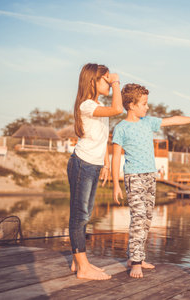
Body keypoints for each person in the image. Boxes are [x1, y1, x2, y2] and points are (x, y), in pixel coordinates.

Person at [111, 83, 190, 278]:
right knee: (138, 219)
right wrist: (116, 184)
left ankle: (137, 257)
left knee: (147, 219)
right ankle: (135, 262)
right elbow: (116, 156)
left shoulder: (147, 122)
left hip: (150, 176)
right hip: (134, 178)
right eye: (144, 104)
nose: (147, 107)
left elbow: (173, 120)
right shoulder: (121, 128)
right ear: (131, 105)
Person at [67, 63, 123, 280]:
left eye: (110, 80)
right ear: (93, 81)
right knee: (79, 216)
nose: (109, 83)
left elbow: (103, 138)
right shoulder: (87, 105)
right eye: (105, 79)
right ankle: (83, 267)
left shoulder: (97, 105)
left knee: (85, 215)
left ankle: (77, 262)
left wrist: (106, 163)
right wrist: (117, 81)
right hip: (82, 163)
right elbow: (118, 109)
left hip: (93, 164)